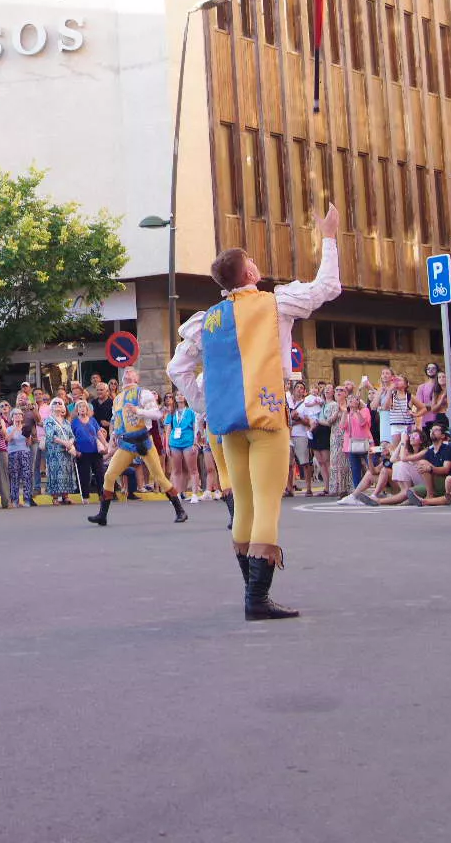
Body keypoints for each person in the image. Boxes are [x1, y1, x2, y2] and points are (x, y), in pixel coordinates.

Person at [169, 206, 341, 620]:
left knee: (243, 505)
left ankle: (252, 593)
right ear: (246, 274)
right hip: (266, 415)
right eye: (250, 261)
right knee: (266, 504)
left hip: (228, 422)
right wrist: (330, 236)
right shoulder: (274, 303)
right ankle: (257, 599)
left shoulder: (205, 320)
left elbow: (178, 368)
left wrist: (205, 405)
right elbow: (328, 286)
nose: (256, 264)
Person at [87, 378, 188, 526]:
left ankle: (180, 510)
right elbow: (117, 420)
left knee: (159, 477)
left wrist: (138, 410)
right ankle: (102, 515)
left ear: (136, 378)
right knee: (109, 475)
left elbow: (157, 414)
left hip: (143, 442)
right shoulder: (119, 399)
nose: (127, 374)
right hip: (127, 443)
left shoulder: (144, 394)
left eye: (130, 373)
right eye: (125, 373)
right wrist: (114, 435)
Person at [42, 402, 80, 506]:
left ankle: (65, 496)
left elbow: (72, 435)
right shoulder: (48, 421)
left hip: (66, 452)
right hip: (54, 452)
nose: (58, 405)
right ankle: (54, 498)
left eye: (60, 403)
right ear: (51, 407)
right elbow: (51, 436)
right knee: (55, 473)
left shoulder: (66, 422)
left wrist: (70, 443)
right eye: (55, 403)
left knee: (67, 473)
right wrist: (65, 443)